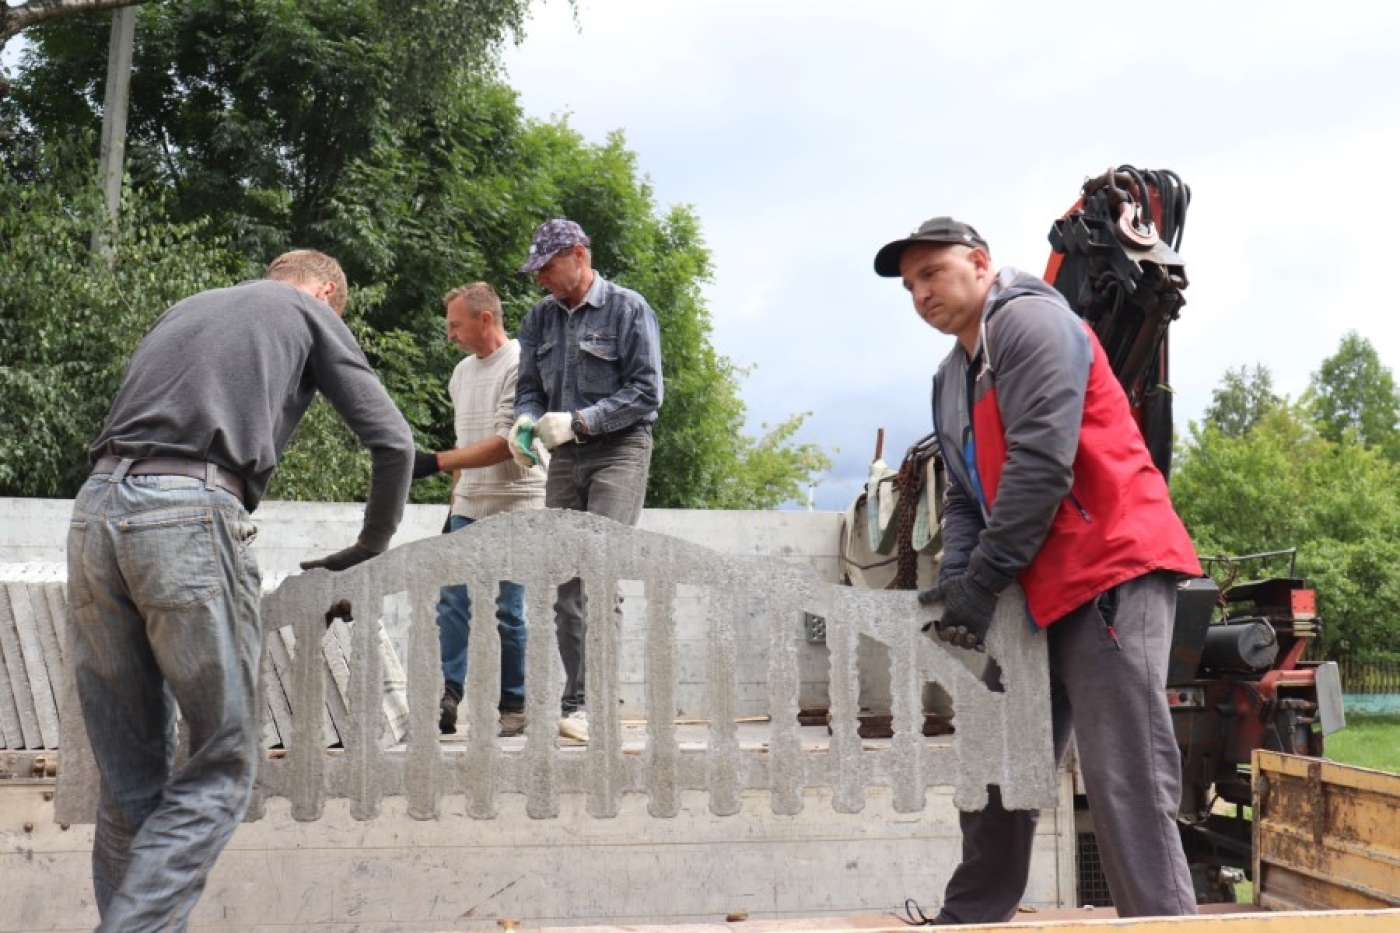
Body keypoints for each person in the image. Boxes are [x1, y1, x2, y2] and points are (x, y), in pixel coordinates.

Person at [67, 250, 414, 931]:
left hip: (93, 512)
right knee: (222, 764)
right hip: (187, 514)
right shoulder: (307, 310)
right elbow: (394, 442)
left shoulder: (189, 305)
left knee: (129, 779)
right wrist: (369, 546)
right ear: (324, 291)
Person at [872, 218, 1202, 923]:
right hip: (1034, 585)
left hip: (1111, 565)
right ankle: (973, 915)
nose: (920, 292)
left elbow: (1042, 465)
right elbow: (964, 494)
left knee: (1124, 775)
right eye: (910, 285)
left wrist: (985, 580)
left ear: (981, 263)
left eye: (932, 273)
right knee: (1000, 762)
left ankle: (1162, 921)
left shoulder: (1028, 322)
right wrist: (963, 587)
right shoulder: (950, 378)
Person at [508, 218, 663, 744]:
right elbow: (529, 388)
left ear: (578, 255)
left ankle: (595, 705)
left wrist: (579, 420)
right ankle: (576, 702)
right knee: (566, 583)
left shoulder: (628, 309)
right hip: (566, 458)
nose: (540, 280)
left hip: (620, 449)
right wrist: (525, 421)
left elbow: (647, 392)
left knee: (600, 573)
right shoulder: (537, 321)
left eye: (546, 268)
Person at [411, 282, 547, 737]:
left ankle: (515, 703)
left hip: (517, 505)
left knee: (508, 607)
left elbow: (507, 444)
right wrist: (454, 502)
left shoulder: (523, 364)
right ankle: (446, 697)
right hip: (469, 503)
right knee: (451, 598)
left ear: (484, 319)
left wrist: (433, 463)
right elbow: (465, 445)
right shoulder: (460, 374)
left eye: (455, 324)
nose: (449, 334)